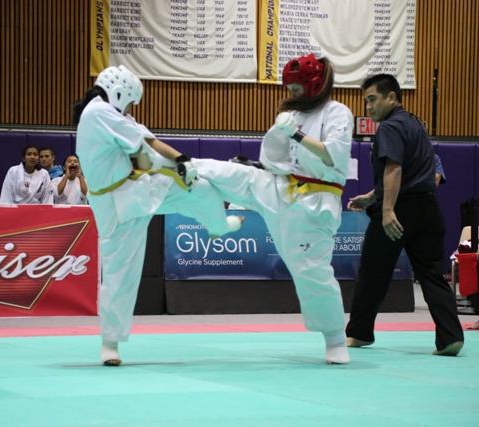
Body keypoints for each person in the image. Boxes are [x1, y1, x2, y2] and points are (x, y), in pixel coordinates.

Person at [74, 65, 243, 366]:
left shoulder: (117, 116)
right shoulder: (98, 113)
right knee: (120, 273)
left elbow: (149, 142)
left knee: (202, 188)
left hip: (140, 187)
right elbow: (143, 154)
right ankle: (110, 344)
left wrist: (181, 159)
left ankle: (217, 226)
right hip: (115, 204)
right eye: (130, 102)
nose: (131, 109)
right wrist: (175, 166)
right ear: (118, 93)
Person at [192, 53, 354, 364]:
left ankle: (335, 339)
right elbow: (279, 159)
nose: (291, 94)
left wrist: (296, 133)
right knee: (222, 172)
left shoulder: (337, 113)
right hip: (278, 185)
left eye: (296, 89)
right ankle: (171, 168)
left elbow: (332, 156)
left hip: (314, 202)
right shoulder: (294, 114)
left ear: (315, 85)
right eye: (289, 88)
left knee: (312, 273)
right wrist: (261, 160)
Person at [345, 74, 464, 356]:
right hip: (428, 209)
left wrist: (387, 210)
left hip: (399, 210)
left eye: (373, 99)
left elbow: (394, 169)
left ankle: (359, 333)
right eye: (365, 101)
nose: (368, 107)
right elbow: (414, 172)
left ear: (391, 97)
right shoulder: (415, 123)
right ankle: (450, 337)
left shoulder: (389, 127)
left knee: (372, 273)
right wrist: (371, 196)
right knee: (432, 276)